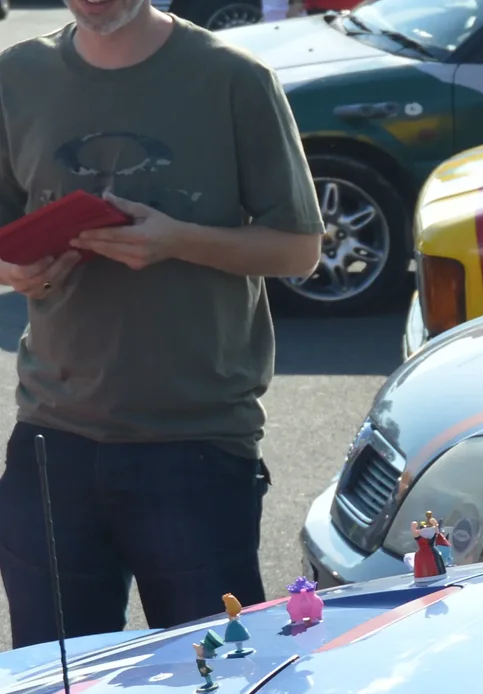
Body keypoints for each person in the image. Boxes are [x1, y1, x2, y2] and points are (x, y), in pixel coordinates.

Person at [0, 0, 319, 645]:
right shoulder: (17, 77)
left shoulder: (232, 78)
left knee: (217, 689)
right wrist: (15, 270)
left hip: (193, 442)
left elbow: (299, 247)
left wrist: (179, 240)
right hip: (52, 438)